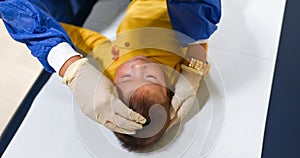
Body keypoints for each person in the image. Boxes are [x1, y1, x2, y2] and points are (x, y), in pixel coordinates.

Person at [0, 0, 221, 149]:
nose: (137, 68)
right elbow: (192, 43)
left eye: (127, 78)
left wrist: (62, 51)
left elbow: (91, 41)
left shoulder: (113, 66)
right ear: (169, 85)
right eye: (151, 78)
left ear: (111, 85)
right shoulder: (172, 67)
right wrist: (196, 61)